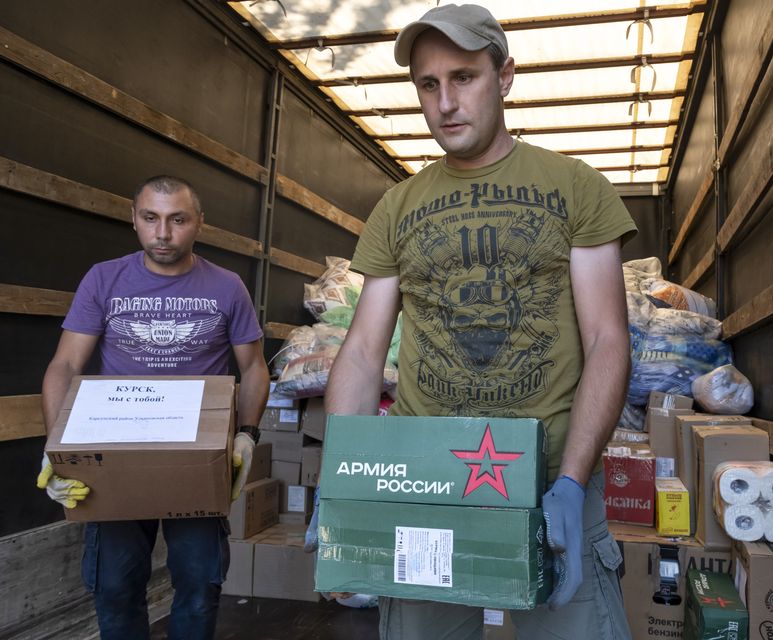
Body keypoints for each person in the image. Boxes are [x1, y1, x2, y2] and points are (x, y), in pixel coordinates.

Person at [318, 4, 637, 639]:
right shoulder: (397, 205)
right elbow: (359, 354)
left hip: (549, 484)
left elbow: (607, 340)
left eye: (463, 77)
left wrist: (573, 481)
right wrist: (342, 481)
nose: (445, 102)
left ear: (506, 76)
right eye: (428, 86)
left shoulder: (575, 187)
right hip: (425, 486)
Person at [37, 175, 270, 640]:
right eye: (151, 218)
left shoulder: (226, 287)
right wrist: (56, 448)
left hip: (196, 454)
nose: (163, 233)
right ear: (134, 219)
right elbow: (64, 364)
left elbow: (255, 367)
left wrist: (247, 433)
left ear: (198, 223)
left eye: (177, 219)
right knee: (115, 587)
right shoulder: (104, 278)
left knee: (200, 584)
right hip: (117, 451)